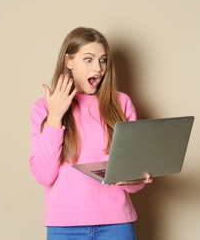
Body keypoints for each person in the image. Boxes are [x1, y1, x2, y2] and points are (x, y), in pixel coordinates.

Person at [28, 27, 152, 240]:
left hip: (116, 225)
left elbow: (135, 182)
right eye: (88, 59)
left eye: (103, 60)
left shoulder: (121, 103)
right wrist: (55, 118)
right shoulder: (44, 108)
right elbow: (43, 175)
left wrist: (136, 177)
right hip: (64, 227)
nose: (98, 68)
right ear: (69, 62)